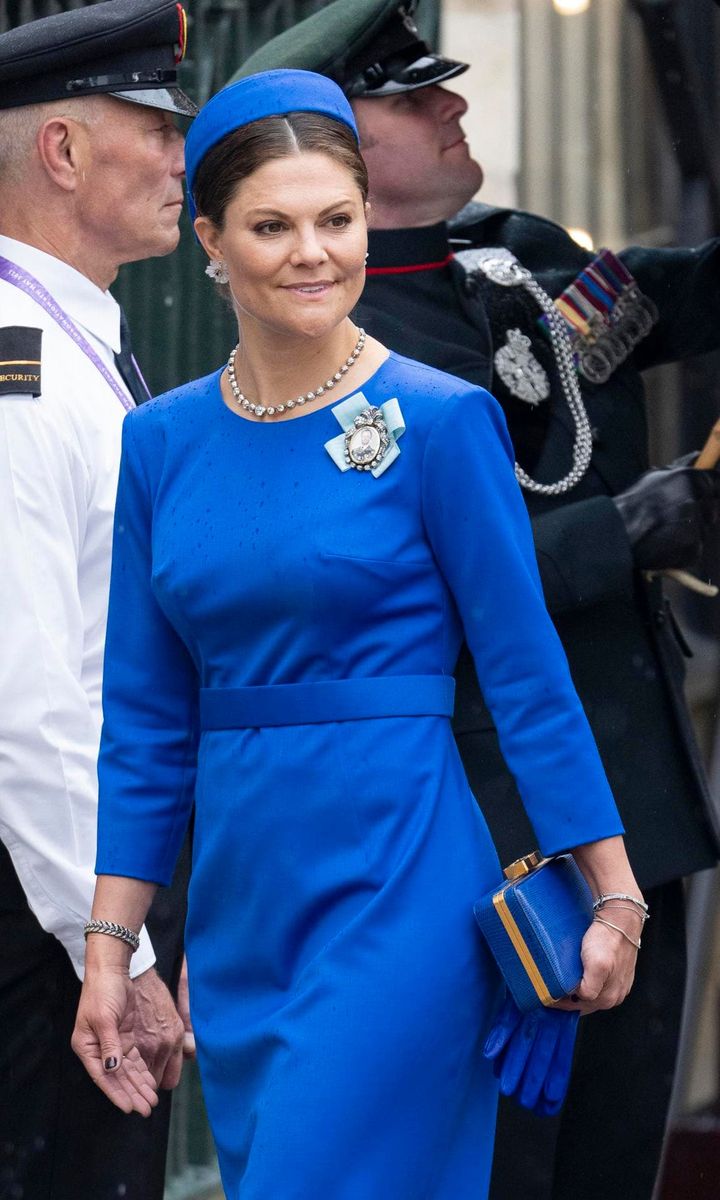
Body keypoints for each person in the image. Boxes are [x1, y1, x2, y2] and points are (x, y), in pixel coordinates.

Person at [73, 69, 645, 1200]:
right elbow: (144, 719)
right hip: (242, 915)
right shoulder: (160, 443)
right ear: (211, 241)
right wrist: (112, 948)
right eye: (272, 226)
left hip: (404, 892)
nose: (312, 253)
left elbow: (529, 677)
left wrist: (614, 891)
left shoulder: (443, 422)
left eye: (336, 220)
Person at [232, 4, 720, 1198]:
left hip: (633, 806)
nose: (454, 107)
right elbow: (393, 590)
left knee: (614, 1158)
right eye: (414, 98)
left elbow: (687, 293)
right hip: (480, 833)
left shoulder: (521, 262)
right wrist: (635, 527)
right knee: (501, 1163)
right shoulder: (314, 353)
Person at [0, 2, 198, 1197]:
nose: (184, 159)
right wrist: (106, 940)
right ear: (64, 153)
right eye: (157, 128)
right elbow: (28, 695)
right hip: (41, 904)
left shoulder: (67, 334)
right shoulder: (14, 370)